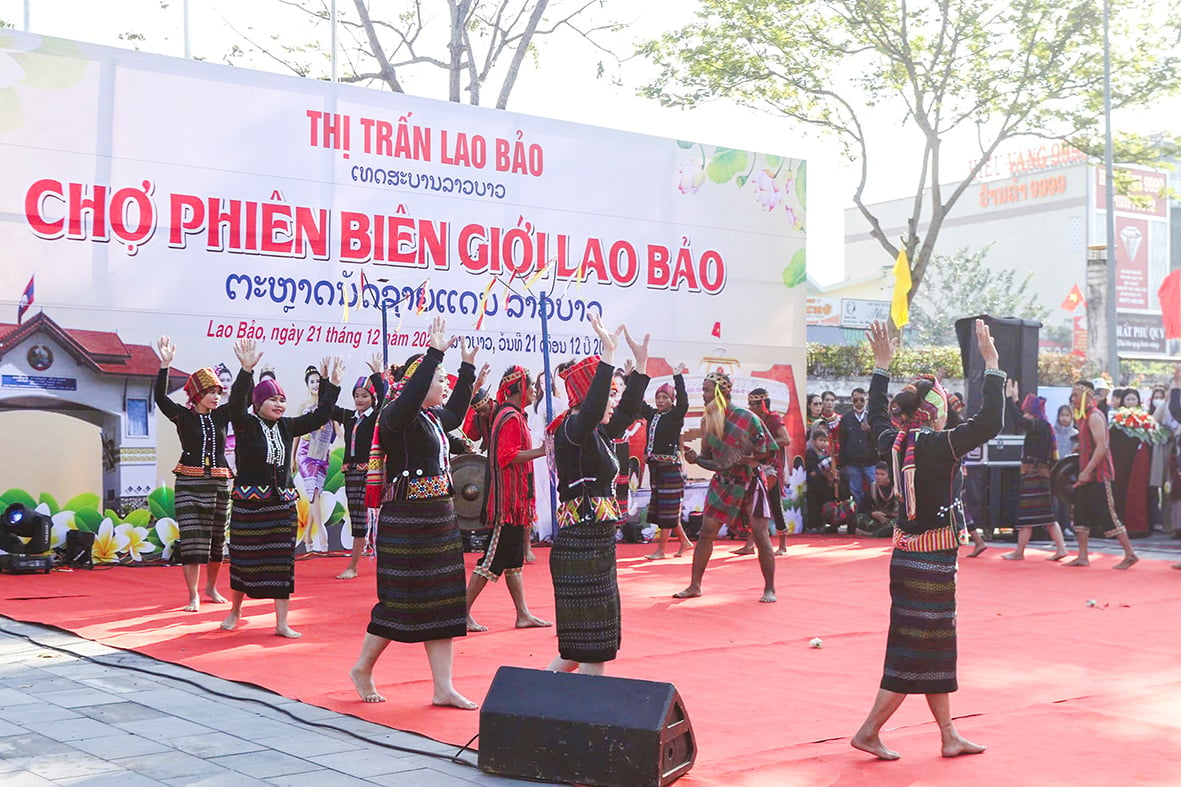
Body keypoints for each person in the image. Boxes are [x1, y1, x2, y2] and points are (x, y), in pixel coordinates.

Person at [851, 319, 1003, 761]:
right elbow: (990, 421)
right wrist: (991, 363)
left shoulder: (894, 441)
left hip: (908, 556)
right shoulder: (940, 445)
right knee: (915, 649)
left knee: (933, 645)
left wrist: (881, 367)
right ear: (934, 412)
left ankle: (948, 735)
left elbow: (878, 414)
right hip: (932, 560)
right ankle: (869, 730)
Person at [349, 317, 480, 708]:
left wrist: (467, 367)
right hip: (406, 521)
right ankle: (362, 668)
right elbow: (411, 395)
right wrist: (434, 354)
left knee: (443, 600)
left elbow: (456, 411)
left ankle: (443, 687)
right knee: (400, 602)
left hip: (439, 517)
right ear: (417, 385)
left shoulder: (431, 417)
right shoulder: (394, 416)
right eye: (440, 379)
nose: (445, 384)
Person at [545, 316, 650, 675]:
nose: (613, 405)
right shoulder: (574, 430)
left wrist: (641, 367)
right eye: (609, 396)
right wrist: (608, 354)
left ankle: (537, 696)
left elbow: (629, 411)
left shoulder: (600, 433)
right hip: (581, 548)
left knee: (589, 645)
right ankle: (586, 719)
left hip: (596, 545)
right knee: (592, 649)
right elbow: (592, 409)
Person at [220, 342, 342, 637]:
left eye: (282, 399)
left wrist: (330, 384)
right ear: (258, 403)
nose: (278, 404)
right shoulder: (246, 423)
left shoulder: (287, 426)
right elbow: (236, 403)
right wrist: (246, 370)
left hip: (281, 505)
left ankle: (281, 623)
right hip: (250, 506)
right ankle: (235, 611)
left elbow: (319, 416)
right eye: (272, 399)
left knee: (282, 565)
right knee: (244, 560)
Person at [674, 370, 778, 603]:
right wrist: (695, 459)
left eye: (707, 390)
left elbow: (770, 450)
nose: (703, 395)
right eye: (703, 390)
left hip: (750, 483)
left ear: (721, 392)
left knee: (760, 535)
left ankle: (769, 588)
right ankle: (695, 585)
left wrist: (751, 458)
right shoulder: (708, 421)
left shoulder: (748, 418)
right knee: (706, 532)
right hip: (722, 483)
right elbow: (710, 459)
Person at [465, 365, 552, 632]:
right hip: (507, 504)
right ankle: (460, 613)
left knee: (513, 562)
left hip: (514, 502)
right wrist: (540, 451)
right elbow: (507, 456)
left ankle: (523, 613)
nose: (534, 391)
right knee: (491, 561)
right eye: (532, 387)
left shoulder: (513, 415)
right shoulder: (510, 418)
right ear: (519, 389)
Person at [154, 337, 233, 612]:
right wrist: (165, 366)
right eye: (211, 392)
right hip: (189, 481)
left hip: (219, 482)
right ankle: (193, 595)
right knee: (192, 538)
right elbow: (160, 399)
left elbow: (243, 397)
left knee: (216, 539)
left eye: (218, 392)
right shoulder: (182, 416)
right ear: (197, 395)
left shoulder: (223, 415)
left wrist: (246, 370)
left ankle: (211, 588)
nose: (216, 397)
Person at [1065, 380, 1139, 569]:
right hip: (1086, 474)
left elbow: (1102, 448)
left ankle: (1130, 554)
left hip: (1098, 475)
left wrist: (1087, 471)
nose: (1072, 399)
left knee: (1108, 515)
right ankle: (1082, 556)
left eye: (1076, 395)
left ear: (1086, 396)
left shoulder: (1094, 416)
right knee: (1080, 514)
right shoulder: (1083, 417)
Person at [329, 355, 387, 580]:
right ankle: (355, 564)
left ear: (372, 398)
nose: (359, 400)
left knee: (369, 518)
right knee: (356, 517)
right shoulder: (350, 417)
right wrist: (331, 382)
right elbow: (327, 409)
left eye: (364, 395)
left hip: (370, 474)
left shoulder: (377, 418)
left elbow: (385, 401)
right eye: (356, 395)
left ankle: (354, 566)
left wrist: (377, 374)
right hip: (351, 472)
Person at [1002, 385, 1069, 561]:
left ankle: (1019, 552)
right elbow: (1021, 418)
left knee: (1027, 515)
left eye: (1025, 411)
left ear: (1032, 412)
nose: (1023, 414)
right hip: (1041, 474)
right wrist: (1016, 400)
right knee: (1046, 515)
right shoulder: (1042, 425)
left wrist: (1010, 400)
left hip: (1035, 474)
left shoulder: (1038, 426)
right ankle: (1059, 548)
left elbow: (1018, 420)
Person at [640, 366, 693, 560]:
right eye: (658, 398)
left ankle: (661, 550)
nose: (661, 401)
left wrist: (678, 377)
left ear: (672, 400)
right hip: (656, 469)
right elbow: (637, 401)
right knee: (666, 510)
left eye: (665, 398)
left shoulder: (675, 416)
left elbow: (684, 402)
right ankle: (685, 542)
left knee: (667, 511)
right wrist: (632, 376)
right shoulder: (653, 415)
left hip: (671, 469)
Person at [735, 388, 792, 555]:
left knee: (774, 503)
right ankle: (749, 545)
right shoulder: (753, 420)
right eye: (749, 404)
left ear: (762, 405)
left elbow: (786, 439)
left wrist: (764, 445)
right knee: (753, 506)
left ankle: (782, 545)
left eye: (753, 404)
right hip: (756, 467)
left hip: (771, 468)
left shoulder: (774, 418)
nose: (750, 407)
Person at [294, 365, 339, 551]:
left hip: (322, 451)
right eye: (312, 381)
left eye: (318, 381)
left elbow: (337, 429)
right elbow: (296, 433)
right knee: (312, 490)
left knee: (316, 493)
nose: (315, 384)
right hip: (305, 452)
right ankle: (321, 533)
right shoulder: (304, 407)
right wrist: (291, 457)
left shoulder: (328, 407)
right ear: (307, 385)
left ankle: (307, 536)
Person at [838, 387, 876, 509]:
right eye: (855, 400)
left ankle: (875, 513)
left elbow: (880, 438)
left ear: (866, 399)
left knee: (874, 488)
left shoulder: (872, 417)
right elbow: (842, 441)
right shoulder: (846, 419)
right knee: (855, 491)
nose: (859, 403)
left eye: (861, 399)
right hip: (852, 462)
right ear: (851, 401)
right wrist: (842, 463)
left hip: (871, 460)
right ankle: (858, 517)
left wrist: (871, 431)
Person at [805, 425, 838, 533]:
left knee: (823, 505)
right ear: (814, 441)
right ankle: (812, 526)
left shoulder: (826, 454)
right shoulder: (810, 453)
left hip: (824, 486)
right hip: (814, 486)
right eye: (820, 440)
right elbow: (813, 472)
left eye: (825, 441)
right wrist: (823, 471)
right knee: (813, 506)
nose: (823, 443)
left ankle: (822, 525)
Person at [1053, 404, 1079, 536]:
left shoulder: (1075, 434)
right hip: (1055, 469)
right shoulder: (1053, 432)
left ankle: (1067, 526)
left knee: (1067, 501)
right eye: (1062, 415)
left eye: (1067, 415)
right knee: (1055, 501)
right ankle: (1055, 528)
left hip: (1068, 472)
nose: (1064, 418)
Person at [852, 463, 897, 538]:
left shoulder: (898, 488)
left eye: (882, 474)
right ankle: (882, 532)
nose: (878, 477)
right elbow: (862, 507)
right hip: (878, 519)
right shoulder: (872, 487)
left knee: (898, 524)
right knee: (858, 518)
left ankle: (872, 534)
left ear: (889, 476)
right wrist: (872, 513)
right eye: (876, 474)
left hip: (893, 520)